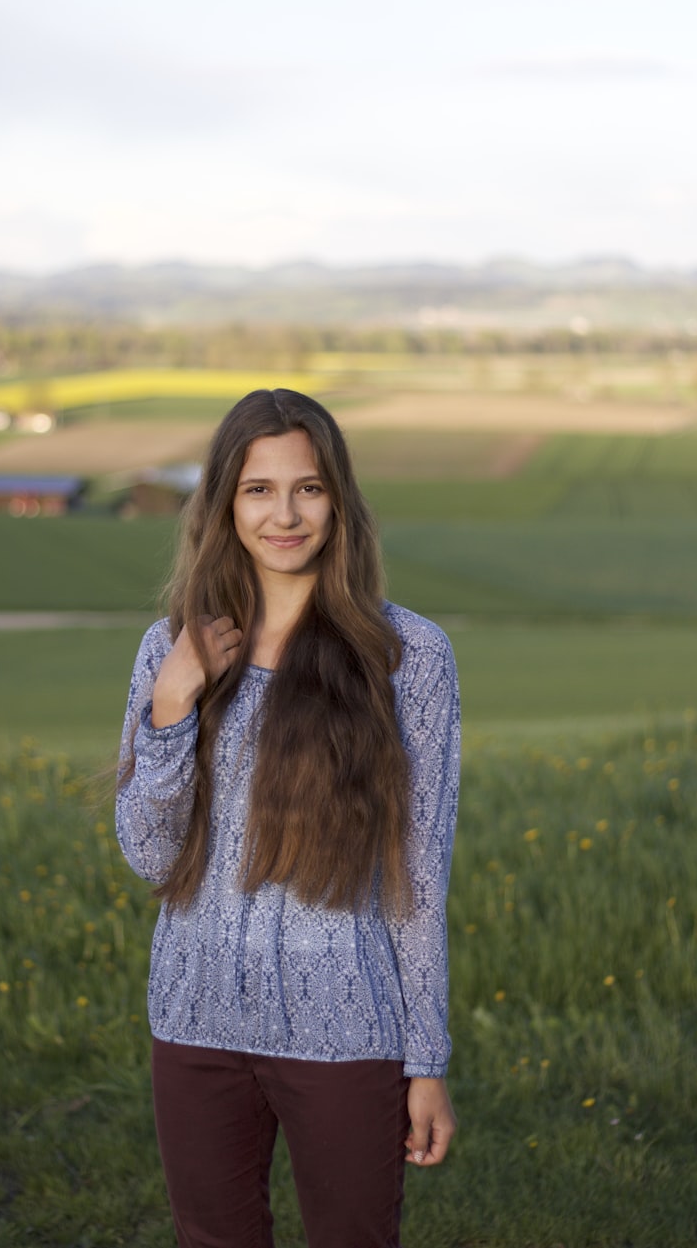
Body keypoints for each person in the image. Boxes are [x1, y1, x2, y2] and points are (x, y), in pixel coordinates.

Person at [116, 388, 460, 1248]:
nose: (285, 513)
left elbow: (417, 877)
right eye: (258, 489)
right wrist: (173, 702)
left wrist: (425, 1059)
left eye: (307, 487)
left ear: (338, 499)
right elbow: (150, 851)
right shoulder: (171, 649)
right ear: (225, 504)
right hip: (193, 1020)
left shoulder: (407, 657)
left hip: (347, 1029)